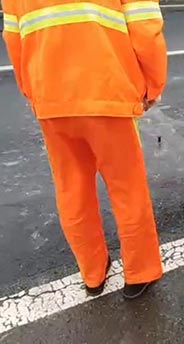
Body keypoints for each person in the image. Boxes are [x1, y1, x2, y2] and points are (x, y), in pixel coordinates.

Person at [2, 0, 167, 299]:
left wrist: (34, 90)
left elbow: (14, 38)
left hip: (50, 97)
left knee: (72, 190)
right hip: (108, 92)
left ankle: (93, 273)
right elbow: (145, 27)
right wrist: (152, 85)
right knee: (127, 188)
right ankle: (139, 272)